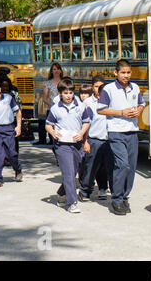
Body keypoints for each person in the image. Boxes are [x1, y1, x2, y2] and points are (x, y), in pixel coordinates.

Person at [98, 59, 145, 215]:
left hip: (132, 131)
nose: (126, 75)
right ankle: (116, 199)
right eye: (123, 73)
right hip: (116, 132)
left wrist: (139, 110)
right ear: (116, 73)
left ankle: (125, 197)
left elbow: (141, 103)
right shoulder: (109, 89)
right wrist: (121, 113)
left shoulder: (135, 87)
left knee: (131, 167)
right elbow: (101, 110)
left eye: (128, 72)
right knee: (122, 164)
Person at [45, 78, 90, 213]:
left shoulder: (81, 106)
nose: (68, 95)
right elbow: (48, 124)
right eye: (65, 93)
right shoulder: (55, 108)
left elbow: (86, 122)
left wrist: (82, 133)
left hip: (77, 144)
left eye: (71, 92)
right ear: (60, 94)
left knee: (72, 172)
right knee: (69, 174)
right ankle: (72, 202)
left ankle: (61, 193)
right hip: (62, 145)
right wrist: (52, 132)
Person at [78, 76, 112, 202]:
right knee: (91, 166)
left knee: (105, 167)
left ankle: (103, 188)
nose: (99, 89)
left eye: (101, 86)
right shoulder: (88, 103)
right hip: (94, 138)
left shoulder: (109, 100)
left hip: (108, 138)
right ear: (93, 87)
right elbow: (86, 124)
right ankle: (85, 190)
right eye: (96, 86)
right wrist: (85, 141)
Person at [35, 62, 63, 145]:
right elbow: (45, 98)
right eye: (54, 69)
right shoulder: (48, 83)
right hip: (52, 107)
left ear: (61, 71)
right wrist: (52, 106)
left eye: (58, 69)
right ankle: (53, 140)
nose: (56, 71)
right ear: (51, 71)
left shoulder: (64, 82)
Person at [0, 77, 22, 154]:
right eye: (3, 86)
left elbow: (19, 108)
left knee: (13, 139)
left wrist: (18, 124)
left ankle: (14, 156)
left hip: (12, 120)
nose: (5, 88)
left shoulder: (13, 94)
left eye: (7, 86)